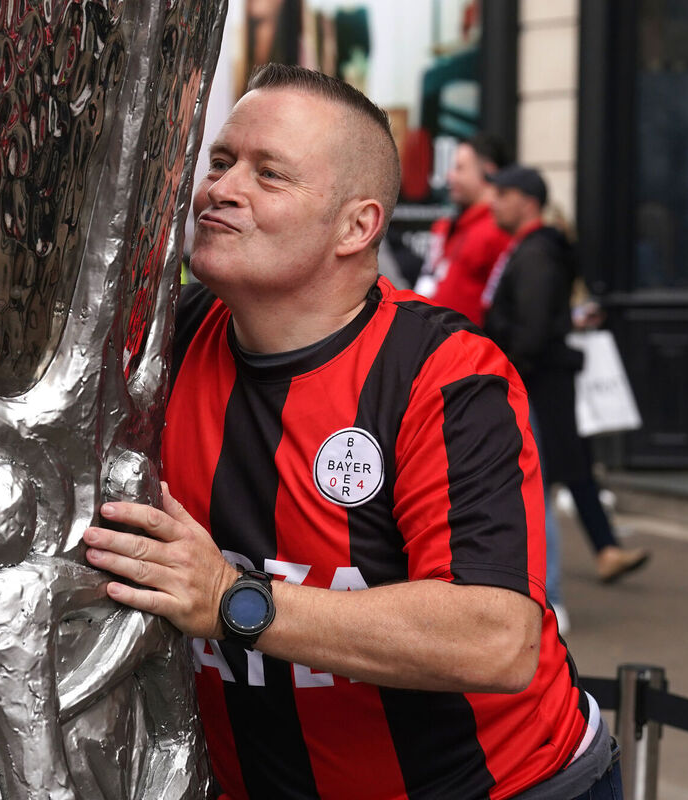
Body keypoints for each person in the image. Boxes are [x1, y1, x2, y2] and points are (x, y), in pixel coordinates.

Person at [84, 65, 621, 799]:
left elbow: (496, 639)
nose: (220, 190)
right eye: (220, 161)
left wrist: (231, 600)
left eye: (269, 174)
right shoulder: (163, 349)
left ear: (358, 226)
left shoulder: (444, 374)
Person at [484, 165, 649, 586]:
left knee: (541, 476)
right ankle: (605, 548)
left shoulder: (536, 253)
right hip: (542, 374)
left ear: (528, 202)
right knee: (570, 464)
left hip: (538, 378)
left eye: (503, 195)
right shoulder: (529, 249)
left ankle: (547, 583)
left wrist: (505, 370)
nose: (495, 203)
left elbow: (533, 327)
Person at [412, 132, 511, 326]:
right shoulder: (453, 224)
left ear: (488, 172)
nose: (450, 176)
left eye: (459, 168)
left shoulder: (498, 228)